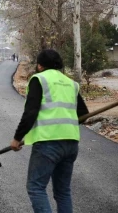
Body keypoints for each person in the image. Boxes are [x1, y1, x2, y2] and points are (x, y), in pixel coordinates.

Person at [10, 49, 89, 213]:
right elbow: (84, 115)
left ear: (39, 66)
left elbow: (31, 113)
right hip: (71, 143)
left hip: (48, 143)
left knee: (36, 187)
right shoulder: (71, 83)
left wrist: (17, 138)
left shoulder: (39, 79)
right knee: (63, 192)